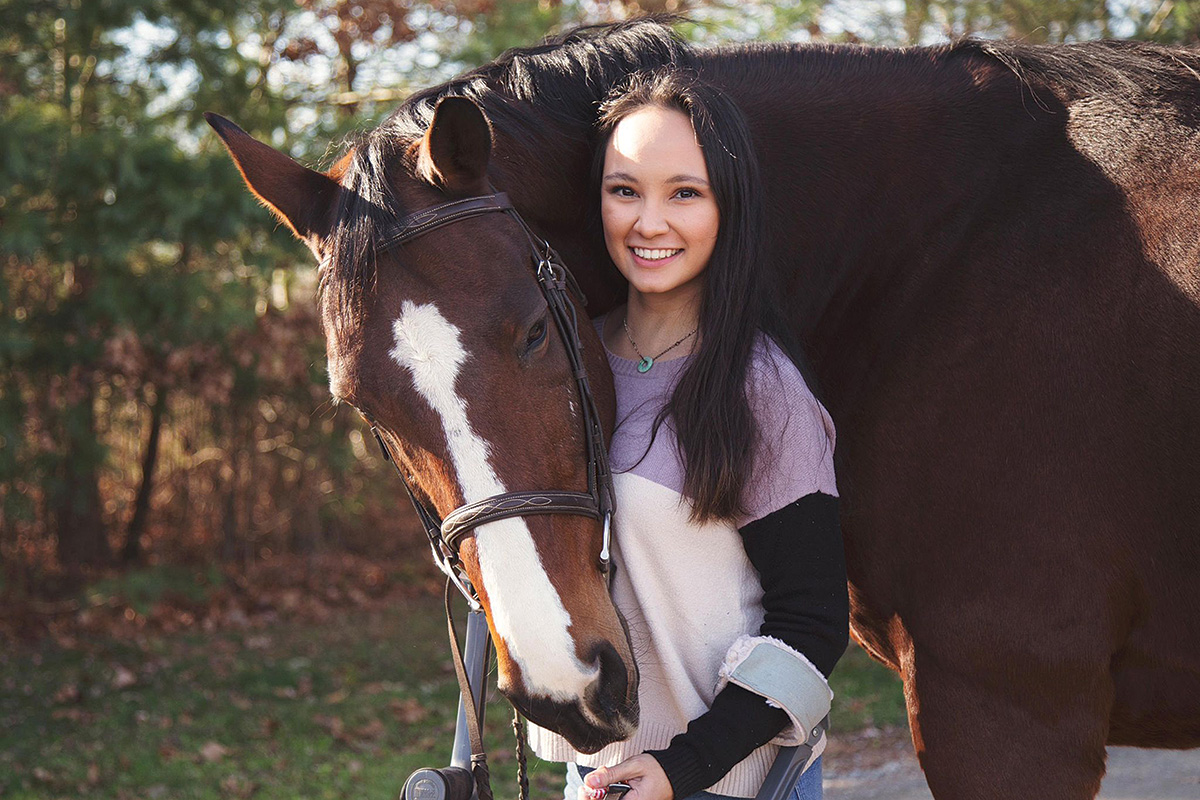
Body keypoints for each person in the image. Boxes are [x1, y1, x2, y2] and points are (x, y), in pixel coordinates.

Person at [524, 67, 848, 800]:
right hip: (598, 781)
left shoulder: (760, 390)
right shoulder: (561, 367)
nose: (649, 222)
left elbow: (814, 621)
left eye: (685, 193)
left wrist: (685, 767)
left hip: (731, 783)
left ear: (728, 208)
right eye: (625, 189)